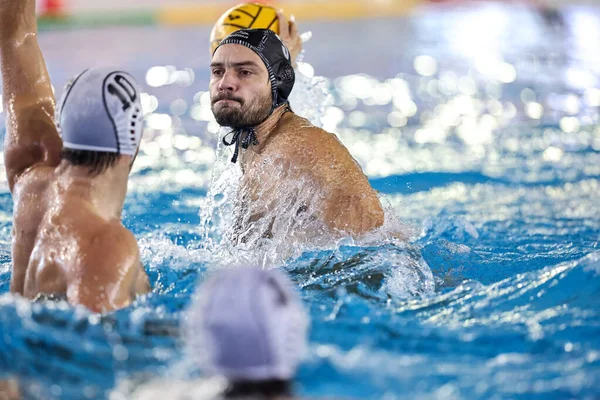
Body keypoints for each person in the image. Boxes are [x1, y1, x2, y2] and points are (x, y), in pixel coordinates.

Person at [0, 0, 149, 313]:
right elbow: (95, 352)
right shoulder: (108, 246)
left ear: (62, 130)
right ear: (132, 146)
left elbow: (16, 38)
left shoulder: (30, 175)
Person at [209, 29, 384, 244]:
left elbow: (377, 242)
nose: (224, 83)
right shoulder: (251, 139)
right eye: (218, 71)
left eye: (244, 72)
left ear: (279, 82)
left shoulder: (305, 147)